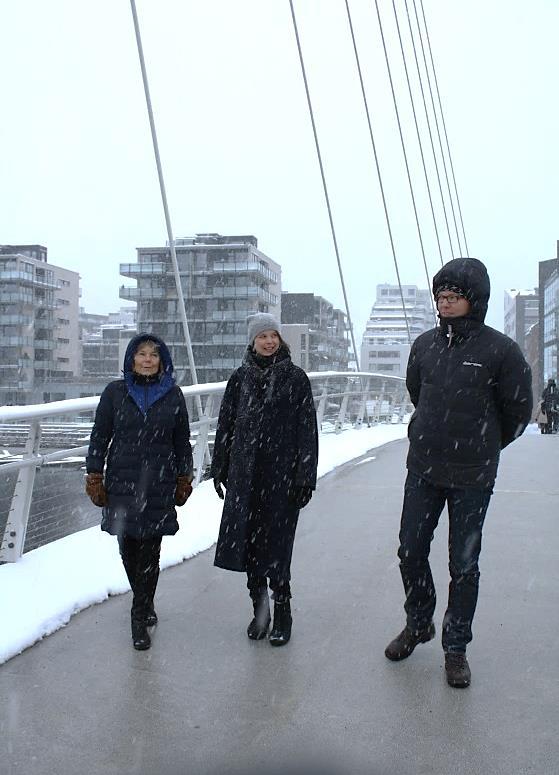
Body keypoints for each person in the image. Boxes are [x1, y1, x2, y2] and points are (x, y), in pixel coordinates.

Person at [384, 258, 532, 688]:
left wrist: (486, 444)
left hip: (473, 475)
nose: (445, 305)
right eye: (441, 298)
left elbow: (518, 410)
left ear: (474, 301)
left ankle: (455, 648)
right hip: (424, 467)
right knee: (410, 550)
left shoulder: (499, 351)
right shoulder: (425, 346)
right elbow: (417, 392)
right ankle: (419, 622)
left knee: (463, 564)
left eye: (453, 298)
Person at [211, 313, 318, 646]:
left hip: (282, 477)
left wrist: (305, 477)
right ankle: (260, 610)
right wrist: (220, 468)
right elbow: (226, 425)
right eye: (262, 337)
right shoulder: (238, 379)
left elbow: (307, 430)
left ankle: (282, 609)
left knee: (278, 546)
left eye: (273, 335)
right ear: (252, 341)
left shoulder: (296, 378)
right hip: (245, 476)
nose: (269, 341)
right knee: (249, 543)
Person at [85, 334, 193, 651]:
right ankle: (144, 599)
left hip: (159, 481)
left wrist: (184, 476)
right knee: (127, 546)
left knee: (150, 550)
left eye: (153, 355)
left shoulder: (173, 395)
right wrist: (94, 474)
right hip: (121, 481)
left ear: (163, 361)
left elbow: (181, 439)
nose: (147, 360)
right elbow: (99, 435)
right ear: (131, 359)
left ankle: (139, 613)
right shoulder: (115, 393)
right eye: (141, 354)